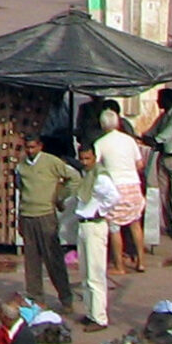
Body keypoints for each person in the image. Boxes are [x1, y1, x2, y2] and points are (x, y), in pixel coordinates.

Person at [15, 137, 77, 313]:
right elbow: (21, 190)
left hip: (46, 216)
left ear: (40, 146)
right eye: (27, 147)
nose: (30, 151)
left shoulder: (51, 162)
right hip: (28, 216)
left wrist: (59, 196)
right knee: (31, 261)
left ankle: (66, 298)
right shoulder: (22, 165)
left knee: (54, 259)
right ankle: (36, 298)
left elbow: (73, 178)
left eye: (33, 147)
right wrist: (20, 217)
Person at [94, 107, 147, 274]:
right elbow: (140, 164)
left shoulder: (100, 143)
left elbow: (95, 167)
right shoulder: (129, 140)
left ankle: (119, 266)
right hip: (133, 185)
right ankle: (141, 261)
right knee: (135, 223)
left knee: (114, 227)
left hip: (115, 187)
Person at [70, 141, 116, 329]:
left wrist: (101, 211)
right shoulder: (87, 175)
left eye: (88, 158)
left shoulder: (100, 176)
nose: (85, 162)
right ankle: (90, 312)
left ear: (95, 158)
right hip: (84, 225)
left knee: (95, 274)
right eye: (82, 159)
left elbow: (113, 197)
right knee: (85, 273)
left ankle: (100, 318)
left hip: (95, 226)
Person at [142, 86, 172, 241]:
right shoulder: (163, 116)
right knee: (164, 194)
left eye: (159, 99)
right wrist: (146, 137)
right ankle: (169, 225)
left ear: (168, 100)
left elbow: (170, 131)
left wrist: (156, 140)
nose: (157, 102)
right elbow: (151, 131)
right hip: (163, 158)